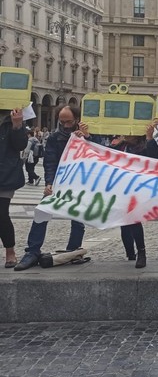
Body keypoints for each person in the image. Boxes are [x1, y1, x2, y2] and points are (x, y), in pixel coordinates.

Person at [15, 106, 87, 271]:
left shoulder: (86, 135)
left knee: (77, 218)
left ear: (76, 119)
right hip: (59, 182)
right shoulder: (55, 137)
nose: (66, 125)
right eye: (62, 121)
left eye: (69, 121)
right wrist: (49, 183)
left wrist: (86, 139)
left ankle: (73, 250)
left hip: (79, 184)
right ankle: (32, 252)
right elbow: (50, 161)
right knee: (41, 212)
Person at [106, 123, 158, 268]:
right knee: (124, 223)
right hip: (122, 189)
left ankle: (141, 252)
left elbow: (154, 158)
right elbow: (103, 153)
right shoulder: (121, 146)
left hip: (138, 190)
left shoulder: (145, 146)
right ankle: (130, 252)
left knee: (134, 220)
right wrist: (86, 137)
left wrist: (150, 138)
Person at [0, 108, 28, 268]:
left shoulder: (12, 116)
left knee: (2, 213)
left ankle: (10, 251)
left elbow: (20, 145)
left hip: (5, 173)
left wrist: (17, 126)